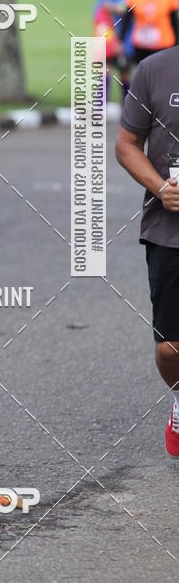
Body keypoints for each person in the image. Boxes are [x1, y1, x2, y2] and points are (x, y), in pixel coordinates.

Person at [116, 45, 179, 457]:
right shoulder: (154, 70)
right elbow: (126, 144)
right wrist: (161, 189)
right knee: (170, 347)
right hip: (169, 231)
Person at [119, 0, 179, 65]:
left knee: (160, 76)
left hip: (163, 46)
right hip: (141, 46)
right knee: (143, 75)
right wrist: (121, 40)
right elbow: (127, 18)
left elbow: (174, 21)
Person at [92, 0, 131, 101]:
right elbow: (98, 19)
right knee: (104, 72)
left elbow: (128, 10)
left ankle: (127, 107)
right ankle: (100, 108)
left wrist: (113, 9)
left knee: (124, 74)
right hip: (108, 43)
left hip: (126, 42)